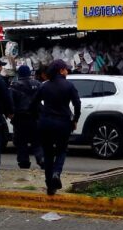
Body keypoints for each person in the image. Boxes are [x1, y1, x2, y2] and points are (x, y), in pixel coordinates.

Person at [30, 59, 81, 195]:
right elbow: (77, 104)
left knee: (48, 154)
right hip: (63, 123)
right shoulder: (69, 86)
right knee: (61, 151)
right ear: (60, 70)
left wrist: (39, 117)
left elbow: (33, 103)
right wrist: (75, 119)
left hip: (45, 123)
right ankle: (56, 173)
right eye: (65, 69)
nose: (67, 71)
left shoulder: (44, 86)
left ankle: (50, 186)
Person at [9, 65, 43, 169]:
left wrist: (11, 114)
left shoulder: (14, 85)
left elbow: (10, 102)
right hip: (35, 117)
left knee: (21, 142)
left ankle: (24, 163)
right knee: (37, 141)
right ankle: (41, 159)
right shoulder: (38, 84)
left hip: (20, 118)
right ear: (29, 73)